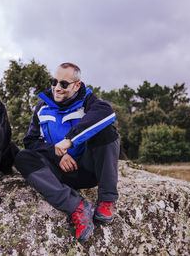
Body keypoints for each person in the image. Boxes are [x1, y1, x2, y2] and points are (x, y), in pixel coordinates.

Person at [14, 62, 120, 243]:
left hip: (88, 170)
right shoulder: (41, 109)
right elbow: (30, 142)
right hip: (59, 173)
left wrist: (70, 140)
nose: (57, 88)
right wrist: (57, 154)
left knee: (107, 131)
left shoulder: (89, 101)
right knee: (22, 157)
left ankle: (106, 201)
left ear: (77, 85)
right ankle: (77, 207)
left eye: (64, 84)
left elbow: (107, 113)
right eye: (54, 82)